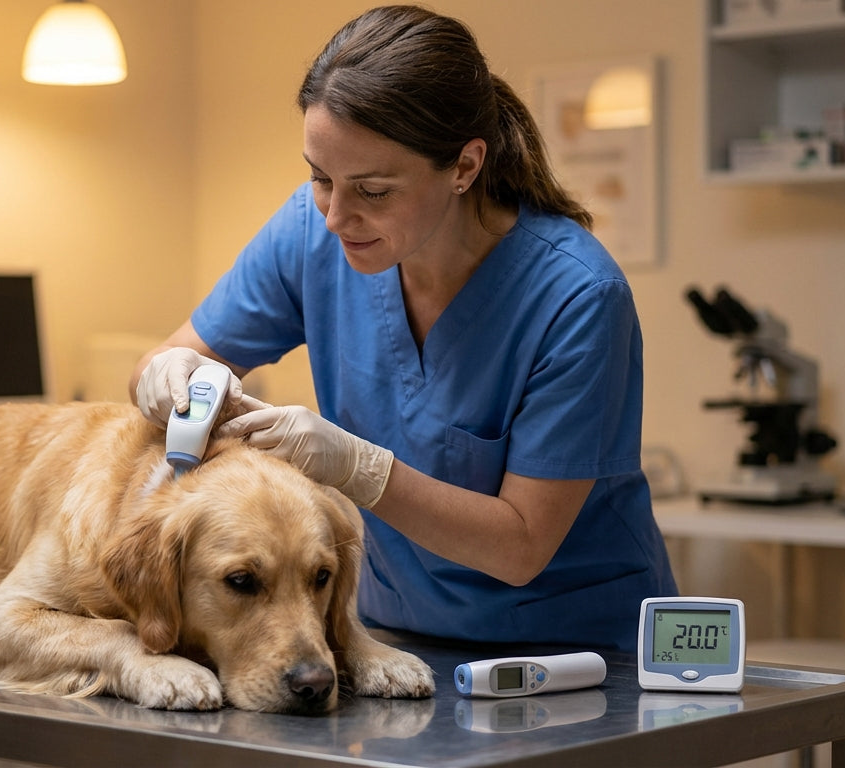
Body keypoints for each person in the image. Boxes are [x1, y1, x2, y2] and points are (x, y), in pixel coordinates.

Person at [130, 5, 675, 651]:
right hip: (395, 634)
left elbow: (521, 545)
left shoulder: (577, 297)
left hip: (576, 652)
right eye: (320, 178)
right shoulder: (310, 234)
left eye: (374, 190)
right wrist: (164, 376)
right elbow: (167, 362)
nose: (336, 217)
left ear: (464, 167)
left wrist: (357, 467)